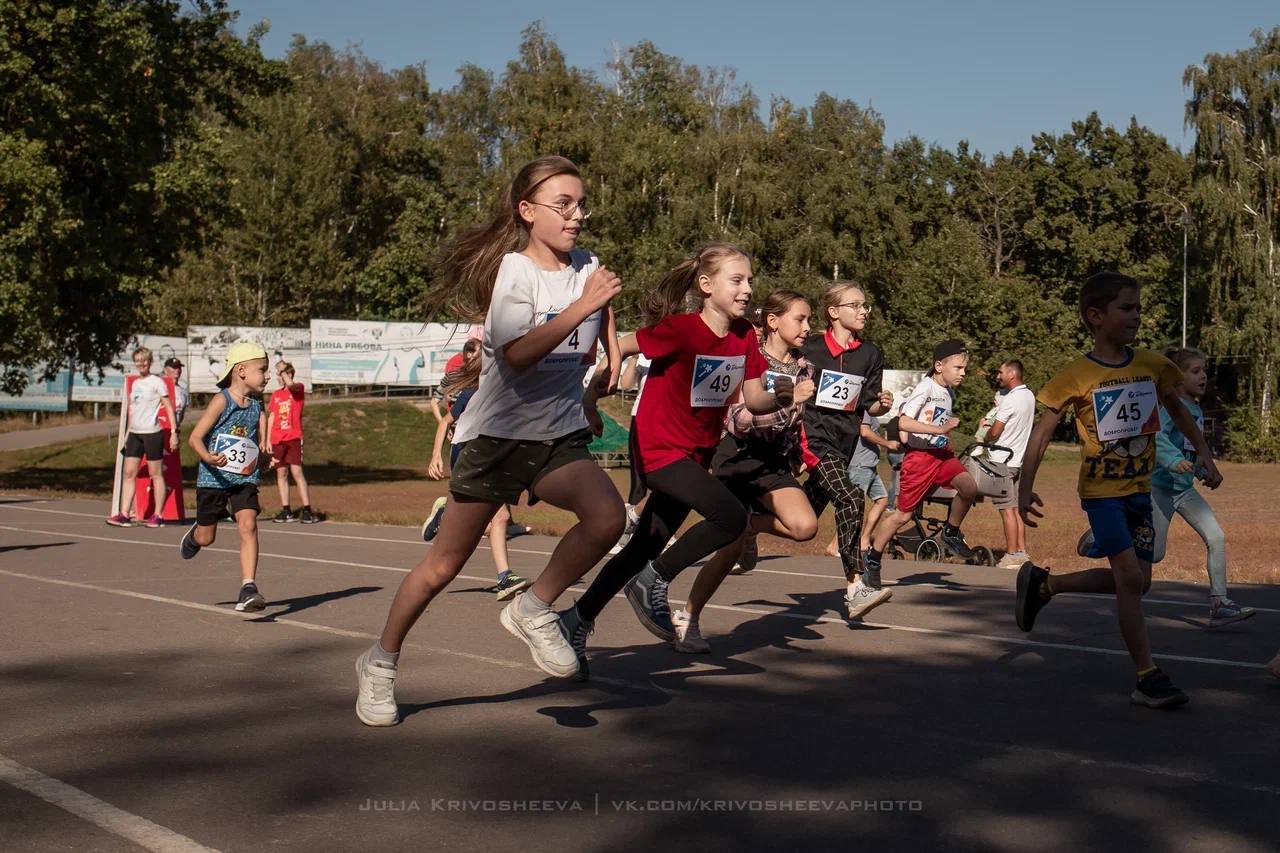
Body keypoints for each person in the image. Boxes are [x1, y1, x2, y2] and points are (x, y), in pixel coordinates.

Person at [354, 155, 625, 726]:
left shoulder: (589, 265)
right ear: (528, 212)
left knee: (607, 518)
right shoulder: (515, 272)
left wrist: (594, 392)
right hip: (497, 439)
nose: (577, 215)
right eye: (563, 204)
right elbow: (518, 356)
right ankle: (379, 663)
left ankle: (533, 606)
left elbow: (604, 334)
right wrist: (583, 307)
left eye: (581, 203)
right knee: (442, 567)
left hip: (556, 437)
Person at [558, 243, 792, 678]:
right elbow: (624, 347)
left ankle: (576, 618)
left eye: (750, 280)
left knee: (645, 543)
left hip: (695, 452)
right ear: (706, 286)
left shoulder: (745, 337)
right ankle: (654, 580)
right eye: (737, 280)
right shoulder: (680, 330)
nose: (748, 289)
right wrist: (591, 395)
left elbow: (754, 397)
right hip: (658, 447)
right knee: (731, 517)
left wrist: (783, 392)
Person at [1016, 271, 1222, 709]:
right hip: (1101, 494)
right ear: (1095, 315)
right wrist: (1024, 488)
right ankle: (1147, 676)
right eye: (1126, 308)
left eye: (1138, 308)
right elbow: (1041, 433)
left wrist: (1205, 454)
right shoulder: (1076, 375)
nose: (1136, 316)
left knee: (1140, 582)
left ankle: (1045, 585)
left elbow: (1179, 411)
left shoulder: (1151, 365)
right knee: (1129, 577)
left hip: (1139, 493)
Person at [674, 288, 818, 651]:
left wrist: (798, 447)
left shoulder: (805, 367)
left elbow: (799, 419)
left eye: (809, 319)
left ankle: (751, 526)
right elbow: (738, 419)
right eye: (800, 319)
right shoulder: (746, 358)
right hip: (736, 457)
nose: (807, 326)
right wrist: (788, 403)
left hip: (772, 460)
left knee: (805, 526)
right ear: (773, 321)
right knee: (727, 552)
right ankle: (688, 619)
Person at [795, 282, 894, 620]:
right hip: (813, 438)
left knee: (801, 521)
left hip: (845, 443)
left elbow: (870, 407)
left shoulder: (870, 354)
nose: (864, 311)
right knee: (852, 497)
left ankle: (748, 527)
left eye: (865, 305)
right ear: (833, 312)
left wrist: (882, 405)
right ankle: (855, 587)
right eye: (855, 305)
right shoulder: (808, 349)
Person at [1147, 347, 1253, 626]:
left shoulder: (1195, 409)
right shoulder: (1171, 409)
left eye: (1204, 370)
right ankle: (1103, 533)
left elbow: (1191, 448)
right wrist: (1173, 461)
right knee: (1155, 555)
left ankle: (1219, 604)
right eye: (1195, 371)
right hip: (1160, 489)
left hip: (1184, 491)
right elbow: (1155, 438)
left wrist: (1203, 469)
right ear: (1177, 378)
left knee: (1216, 538)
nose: (1203, 376)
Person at [864, 340, 978, 584]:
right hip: (920, 460)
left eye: (964, 368)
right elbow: (901, 422)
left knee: (969, 487)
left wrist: (941, 435)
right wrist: (939, 430)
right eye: (958, 368)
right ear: (939, 366)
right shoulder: (925, 388)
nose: (963, 373)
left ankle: (950, 532)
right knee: (902, 516)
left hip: (941, 455)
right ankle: (872, 557)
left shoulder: (947, 391)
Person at [427, 340, 532, 600]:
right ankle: (446, 512)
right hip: (466, 454)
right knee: (494, 518)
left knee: (500, 517)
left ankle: (504, 577)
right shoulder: (472, 391)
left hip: (490, 457)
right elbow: (445, 424)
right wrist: (434, 457)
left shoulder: (506, 391)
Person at [179, 342, 272, 612]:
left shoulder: (256, 404)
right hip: (213, 479)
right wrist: (208, 457)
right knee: (208, 538)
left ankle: (248, 587)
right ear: (241, 371)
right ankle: (196, 536)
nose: (267, 376)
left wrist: (263, 458)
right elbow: (195, 438)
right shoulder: (222, 400)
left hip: (243, 478)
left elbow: (250, 439)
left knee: (248, 524)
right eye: (263, 370)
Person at [107, 347, 180, 528]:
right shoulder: (135, 384)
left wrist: (173, 433)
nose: (141, 364)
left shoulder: (157, 382)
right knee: (129, 473)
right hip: (135, 433)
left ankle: (158, 515)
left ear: (150, 361)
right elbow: (134, 411)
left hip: (152, 434)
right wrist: (126, 435)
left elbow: (169, 407)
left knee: (156, 474)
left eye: (144, 360)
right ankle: (124, 513)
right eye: (138, 360)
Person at [825, 413, 901, 557]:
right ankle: (834, 546)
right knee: (853, 506)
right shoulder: (864, 410)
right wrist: (887, 443)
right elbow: (865, 432)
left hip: (870, 466)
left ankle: (864, 540)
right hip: (860, 465)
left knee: (882, 500)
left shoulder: (870, 411)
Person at [984, 359, 1036, 569]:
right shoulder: (1029, 395)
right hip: (1016, 460)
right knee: (1015, 509)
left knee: (1006, 510)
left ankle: (1012, 554)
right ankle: (1021, 551)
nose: (998, 376)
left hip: (1001, 460)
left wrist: (985, 435)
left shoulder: (1011, 399)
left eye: (1001, 372)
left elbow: (995, 431)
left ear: (1012, 374)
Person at [266, 361, 317, 524]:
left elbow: (291, 385)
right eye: (279, 375)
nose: (279, 378)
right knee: (281, 473)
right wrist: (267, 439)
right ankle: (286, 510)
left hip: (293, 437)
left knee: (296, 472)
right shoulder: (276, 394)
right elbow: (272, 417)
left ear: (289, 374)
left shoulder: (298, 389)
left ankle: (307, 509)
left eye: (282, 375)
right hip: (277, 439)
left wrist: (283, 371)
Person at [163, 357, 190, 428]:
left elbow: (181, 414)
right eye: (174, 367)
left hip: (175, 431)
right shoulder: (160, 388)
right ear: (165, 370)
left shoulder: (183, 391)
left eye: (179, 367)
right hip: (160, 432)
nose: (177, 370)